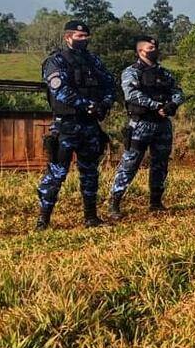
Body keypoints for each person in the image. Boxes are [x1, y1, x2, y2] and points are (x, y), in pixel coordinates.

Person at [36, 20, 117, 230]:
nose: (84, 40)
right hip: (66, 126)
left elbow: (110, 83)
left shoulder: (93, 60)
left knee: (90, 172)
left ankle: (91, 217)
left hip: (89, 127)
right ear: (68, 37)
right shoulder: (56, 61)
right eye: (79, 36)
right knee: (57, 174)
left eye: (86, 36)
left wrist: (104, 103)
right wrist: (88, 105)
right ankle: (43, 220)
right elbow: (60, 91)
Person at [108, 36, 185, 220]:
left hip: (162, 125)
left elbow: (179, 92)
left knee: (160, 164)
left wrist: (172, 105)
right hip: (141, 123)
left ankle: (156, 202)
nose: (155, 49)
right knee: (130, 164)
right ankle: (114, 203)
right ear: (141, 51)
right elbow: (131, 94)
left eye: (156, 46)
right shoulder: (131, 72)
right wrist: (156, 105)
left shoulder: (164, 73)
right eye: (151, 47)